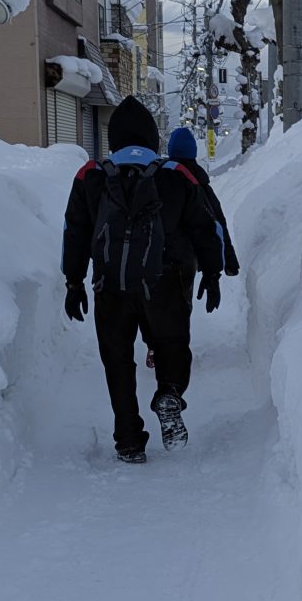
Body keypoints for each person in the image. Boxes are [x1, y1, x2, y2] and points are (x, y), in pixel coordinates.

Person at [61, 97, 225, 464]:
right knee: (171, 345)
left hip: (110, 284)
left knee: (117, 360)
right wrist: (212, 274)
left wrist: (74, 282)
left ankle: (129, 441)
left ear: (113, 138)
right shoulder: (175, 174)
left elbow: (75, 231)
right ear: (153, 139)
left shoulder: (91, 175)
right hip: (165, 282)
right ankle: (169, 393)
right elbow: (204, 227)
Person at [140, 127, 239, 369]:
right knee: (180, 304)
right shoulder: (198, 181)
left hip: (151, 255)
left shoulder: (154, 175)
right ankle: (176, 351)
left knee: (149, 303)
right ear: (193, 152)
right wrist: (222, 266)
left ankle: (153, 345)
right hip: (185, 259)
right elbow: (215, 226)